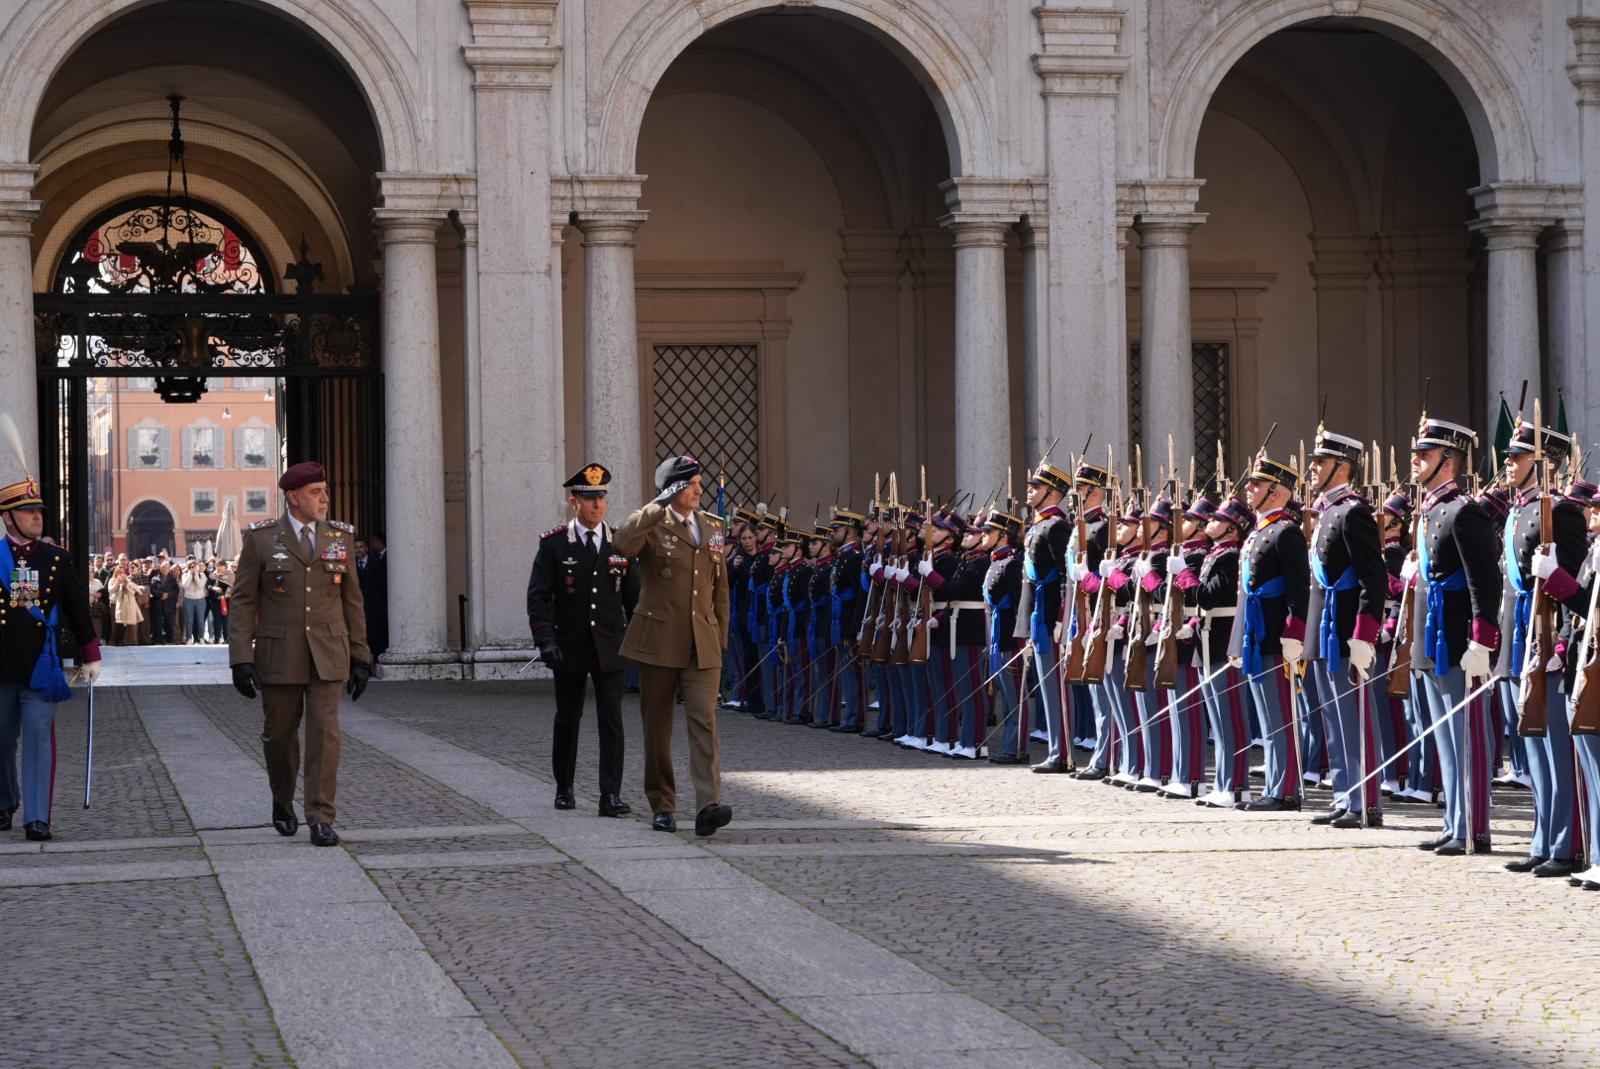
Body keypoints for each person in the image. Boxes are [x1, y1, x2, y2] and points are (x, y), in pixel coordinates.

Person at [229, 461, 372, 847]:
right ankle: (282, 799)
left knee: (326, 735)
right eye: (316, 492)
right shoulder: (261, 540)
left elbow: (352, 602)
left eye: (325, 491)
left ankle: (321, 817)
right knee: (279, 736)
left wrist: (361, 656)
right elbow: (242, 601)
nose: (325, 498)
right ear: (293, 497)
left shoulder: (339, 538)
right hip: (280, 653)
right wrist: (240, 657)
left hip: (328, 651)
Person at [613, 456, 732, 837]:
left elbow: (720, 591)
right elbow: (622, 542)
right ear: (674, 488)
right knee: (658, 728)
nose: (700, 489)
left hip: (703, 642)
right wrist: (657, 504)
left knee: (704, 721)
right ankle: (662, 804)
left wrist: (720, 641)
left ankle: (708, 805)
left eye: (699, 483)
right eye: (693, 483)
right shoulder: (652, 522)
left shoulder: (712, 527)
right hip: (659, 642)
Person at [1406, 417, 1501, 856]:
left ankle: (1472, 828)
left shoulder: (1466, 510)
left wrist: (1482, 640)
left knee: (1466, 736)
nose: (1415, 461)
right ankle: (1453, 820)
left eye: (1423, 455)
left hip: (1459, 637)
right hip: (1432, 634)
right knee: (1444, 734)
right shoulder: (1428, 511)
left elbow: (1485, 580)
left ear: (1447, 460)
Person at [1498, 421, 1586, 876]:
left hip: (1552, 640)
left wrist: (1560, 645)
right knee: (1531, 742)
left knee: (1555, 746)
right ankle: (1542, 837)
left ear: (1544, 463)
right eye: (1509, 456)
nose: (1508, 463)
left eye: (1517, 456)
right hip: (1524, 637)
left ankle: (1565, 842)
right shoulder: (1518, 513)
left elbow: (1577, 590)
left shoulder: (1564, 513)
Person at [526, 463, 640, 817]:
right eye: (590, 499)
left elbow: (634, 600)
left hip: (610, 646)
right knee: (568, 718)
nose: (598, 505)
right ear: (574, 501)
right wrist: (545, 639)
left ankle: (610, 795)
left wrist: (640, 643)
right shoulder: (555, 545)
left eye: (602, 498)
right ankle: (565, 786)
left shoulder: (620, 543)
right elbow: (539, 596)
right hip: (569, 646)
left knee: (612, 720)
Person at [0, 475, 102, 841]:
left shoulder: (56, 559)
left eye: (38, 511)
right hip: (1, 668)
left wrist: (90, 654)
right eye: (27, 512)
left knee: (39, 737)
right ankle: (5, 800)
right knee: (1, 739)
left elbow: (77, 608)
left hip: (41, 667)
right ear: (7, 518)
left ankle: (37, 817)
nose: (37, 517)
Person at [1230, 452, 1310, 812]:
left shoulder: (1287, 532)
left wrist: (1294, 635)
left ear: (1278, 492)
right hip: (1257, 635)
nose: (1250, 488)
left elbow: (1299, 588)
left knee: (1281, 716)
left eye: (1258, 484)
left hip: (1277, 636)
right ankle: (1276, 785)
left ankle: (1286, 789)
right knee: (1267, 716)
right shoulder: (1260, 531)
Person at [357, 532, 389, 661]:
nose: (358, 550)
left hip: (375, 606)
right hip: (358, 607)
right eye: (356, 547)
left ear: (366, 549)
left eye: (361, 547)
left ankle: (376, 661)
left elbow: (382, 584)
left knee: (376, 636)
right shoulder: (350, 565)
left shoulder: (377, 562)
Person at [181, 558, 208, 643]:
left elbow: (200, 585)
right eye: (190, 566)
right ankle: (189, 638)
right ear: (188, 568)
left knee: (201, 620)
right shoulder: (184, 575)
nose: (192, 568)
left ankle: (201, 638)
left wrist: (195, 575)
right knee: (189, 620)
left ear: (197, 567)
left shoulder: (202, 575)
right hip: (188, 600)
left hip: (200, 600)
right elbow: (185, 585)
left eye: (194, 566)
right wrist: (190, 574)